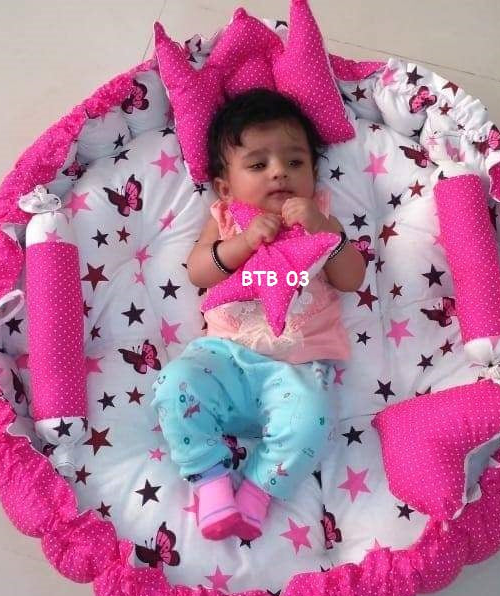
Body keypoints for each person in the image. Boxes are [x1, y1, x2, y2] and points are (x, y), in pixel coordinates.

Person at [149, 88, 366, 542]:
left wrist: (325, 233)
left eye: (295, 162)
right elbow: (199, 271)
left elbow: (351, 279)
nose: (278, 172)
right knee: (174, 384)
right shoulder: (226, 218)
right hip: (224, 358)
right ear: (226, 187)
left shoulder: (322, 220)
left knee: (313, 420)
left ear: (314, 175)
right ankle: (210, 483)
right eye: (258, 165)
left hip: (297, 369)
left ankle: (257, 492)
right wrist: (243, 243)